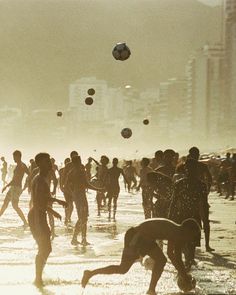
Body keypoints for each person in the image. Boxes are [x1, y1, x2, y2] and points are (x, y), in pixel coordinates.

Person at [81, 218, 201, 295]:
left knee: (158, 260)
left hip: (145, 238)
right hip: (136, 235)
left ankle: (151, 290)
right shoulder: (176, 232)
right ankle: (90, 273)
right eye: (192, 236)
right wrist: (184, 275)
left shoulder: (178, 233)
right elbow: (177, 258)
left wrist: (183, 274)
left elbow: (171, 254)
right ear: (187, 230)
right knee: (124, 268)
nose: (191, 240)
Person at [28, 153, 67, 287]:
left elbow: (43, 198)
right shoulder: (39, 180)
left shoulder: (43, 178)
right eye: (47, 162)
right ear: (39, 164)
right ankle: (37, 278)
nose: (50, 164)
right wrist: (54, 209)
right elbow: (39, 202)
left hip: (39, 215)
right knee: (44, 247)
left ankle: (39, 276)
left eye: (50, 161)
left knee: (46, 248)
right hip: (37, 216)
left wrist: (57, 201)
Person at [168, 159, 208, 269]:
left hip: (183, 218)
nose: (191, 171)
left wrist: (170, 218)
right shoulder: (200, 185)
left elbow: (173, 203)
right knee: (189, 247)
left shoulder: (180, 183)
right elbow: (204, 205)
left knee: (184, 247)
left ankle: (185, 272)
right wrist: (205, 221)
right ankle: (186, 271)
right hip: (192, 219)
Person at [65, 155, 104, 246]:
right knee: (84, 217)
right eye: (80, 161)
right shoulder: (81, 171)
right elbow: (87, 184)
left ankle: (77, 238)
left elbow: (66, 185)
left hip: (76, 196)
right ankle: (82, 239)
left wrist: (73, 193)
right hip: (81, 196)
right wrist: (99, 189)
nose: (81, 162)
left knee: (81, 217)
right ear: (77, 162)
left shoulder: (70, 172)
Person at [188, 147, 214, 252]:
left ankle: (193, 245)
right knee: (205, 221)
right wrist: (206, 191)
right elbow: (210, 179)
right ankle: (206, 245)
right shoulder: (202, 166)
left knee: (193, 221)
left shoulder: (185, 166)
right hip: (201, 196)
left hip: (191, 198)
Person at [0, 150, 29, 226]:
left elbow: (14, 180)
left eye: (14, 157)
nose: (13, 159)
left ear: (18, 156)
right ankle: (25, 222)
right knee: (5, 203)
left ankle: (25, 222)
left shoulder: (20, 166)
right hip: (14, 187)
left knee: (14, 205)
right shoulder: (23, 165)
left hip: (16, 188)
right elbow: (30, 174)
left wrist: (6, 186)